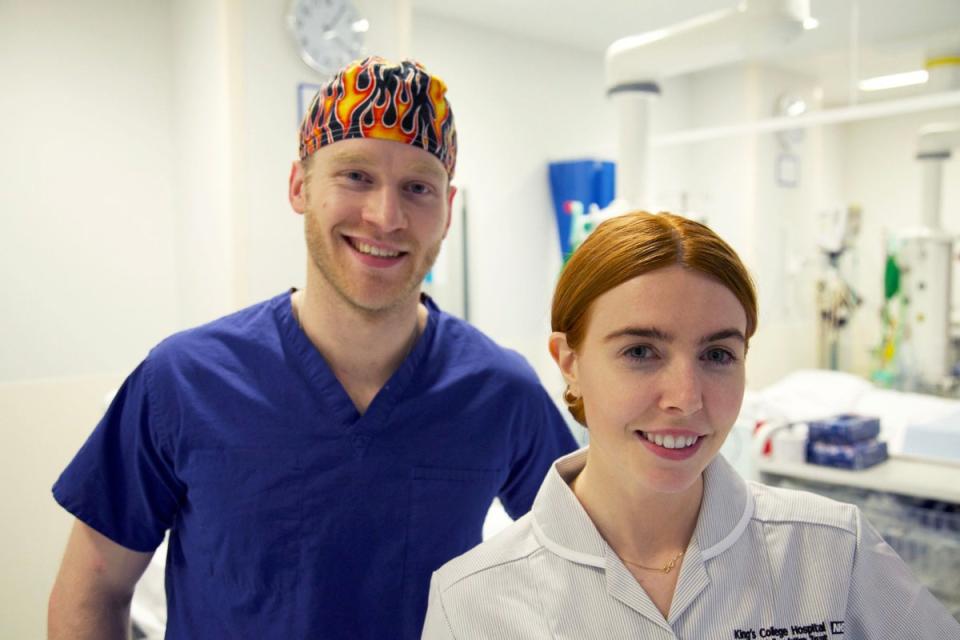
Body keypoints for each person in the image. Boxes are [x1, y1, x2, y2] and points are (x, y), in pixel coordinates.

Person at [48, 56, 577, 640]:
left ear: (448, 211)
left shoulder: (500, 392)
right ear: (300, 186)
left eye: (418, 187)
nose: (385, 216)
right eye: (355, 176)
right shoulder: (182, 381)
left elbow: (588, 570)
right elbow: (93, 592)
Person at [421, 211, 960, 639]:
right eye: (640, 351)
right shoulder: (472, 601)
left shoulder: (832, 551)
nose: (685, 397)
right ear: (569, 361)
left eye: (718, 354)